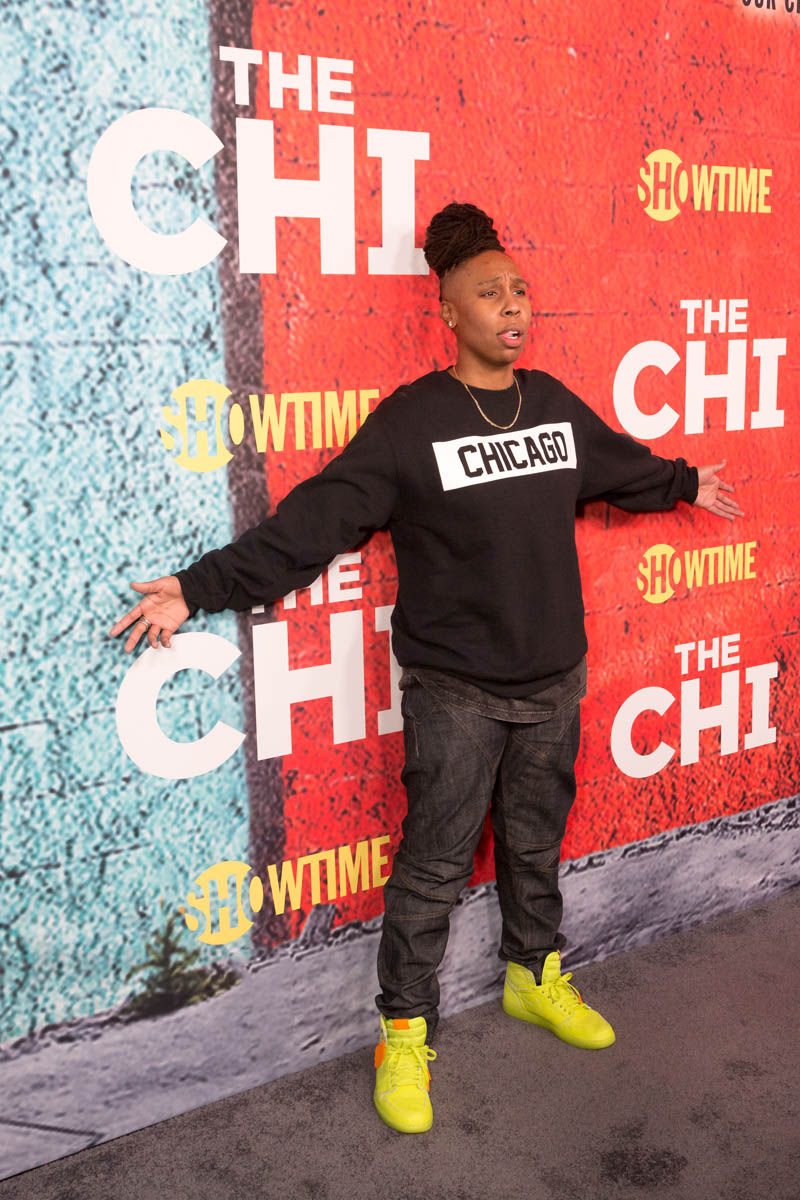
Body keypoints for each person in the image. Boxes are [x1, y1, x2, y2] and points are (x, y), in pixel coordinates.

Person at [110, 203, 742, 1135]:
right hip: (456, 693)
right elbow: (313, 523)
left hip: (554, 681)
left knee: (535, 843)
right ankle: (404, 1031)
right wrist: (195, 588)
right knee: (434, 867)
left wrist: (683, 481)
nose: (513, 304)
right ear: (449, 310)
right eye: (489, 293)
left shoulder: (553, 405)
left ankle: (534, 976)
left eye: (519, 288)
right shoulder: (412, 423)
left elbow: (618, 465)